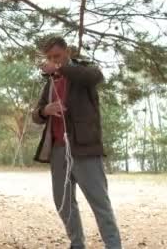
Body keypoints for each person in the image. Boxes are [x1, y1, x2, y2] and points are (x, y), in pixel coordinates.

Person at [32, 36, 121, 249]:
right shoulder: (50, 82)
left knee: (99, 202)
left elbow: (96, 77)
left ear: (67, 53)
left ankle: (114, 246)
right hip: (58, 150)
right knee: (63, 203)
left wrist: (61, 68)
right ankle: (77, 244)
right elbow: (36, 115)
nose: (54, 61)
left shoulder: (84, 71)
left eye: (58, 56)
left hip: (84, 149)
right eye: (50, 58)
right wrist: (45, 110)